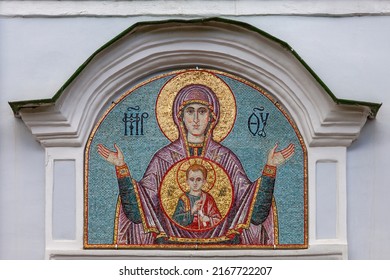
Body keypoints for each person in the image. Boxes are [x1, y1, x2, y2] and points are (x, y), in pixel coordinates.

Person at [97, 83, 295, 245]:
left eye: (202, 112)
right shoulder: (163, 159)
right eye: (190, 111)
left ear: (212, 117)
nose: (196, 119)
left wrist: (270, 169)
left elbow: (253, 212)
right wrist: (121, 168)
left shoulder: (226, 158)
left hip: (223, 245)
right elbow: (139, 211)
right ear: (180, 117)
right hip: (169, 245)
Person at [172, 163, 222, 230]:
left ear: (204, 181)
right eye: (192, 179)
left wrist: (209, 219)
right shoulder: (184, 198)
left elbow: (218, 219)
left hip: (205, 232)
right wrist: (192, 211)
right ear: (187, 181)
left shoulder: (208, 198)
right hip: (186, 233)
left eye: (198, 179)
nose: (195, 183)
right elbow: (175, 220)